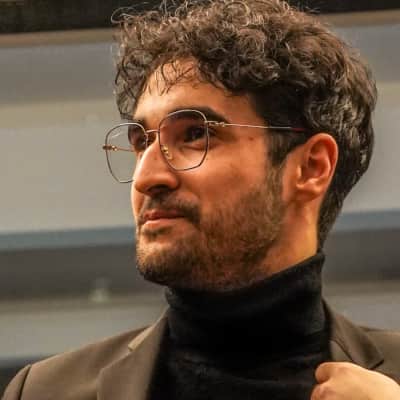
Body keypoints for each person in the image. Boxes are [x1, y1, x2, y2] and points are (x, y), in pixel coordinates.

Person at [3, 0, 400, 399]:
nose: (146, 178)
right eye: (141, 142)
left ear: (311, 168)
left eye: (196, 135)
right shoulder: (45, 391)